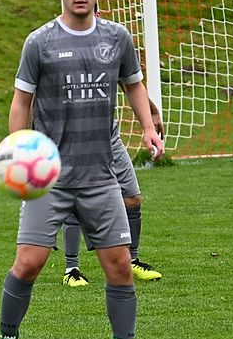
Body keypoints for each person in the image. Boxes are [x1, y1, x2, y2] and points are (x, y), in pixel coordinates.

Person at [0, 0, 164, 339]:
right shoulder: (39, 42)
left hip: (101, 176)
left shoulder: (117, 38)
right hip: (49, 178)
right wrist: (19, 151)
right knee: (28, 263)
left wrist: (148, 127)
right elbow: (21, 101)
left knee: (119, 264)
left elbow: (134, 86)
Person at [62, 110, 164, 287]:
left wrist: (152, 113)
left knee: (132, 198)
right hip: (73, 138)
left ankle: (132, 260)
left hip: (109, 138)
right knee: (74, 199)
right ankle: (71, 270)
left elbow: (133, 91)